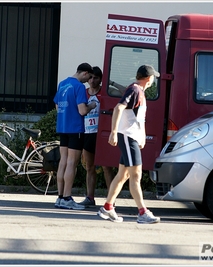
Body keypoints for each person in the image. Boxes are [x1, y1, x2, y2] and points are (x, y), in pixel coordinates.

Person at [97, 64, 161, 224]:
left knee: (123, 175)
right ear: (148, 78)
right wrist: (113, 132)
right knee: (136, 175)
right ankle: (142, 212)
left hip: (132, 137)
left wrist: (143, 136)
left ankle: (107, 207)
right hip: (127, 136)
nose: (154, 80)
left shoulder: (139, 91)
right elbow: (119, 108)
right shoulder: (135, 90)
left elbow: (139, 118)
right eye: (153, 77)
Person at [54, 63, 97, 210]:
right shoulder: (78, 86)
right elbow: (82, 111)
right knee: (72, 163)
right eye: (89, 77)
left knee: (63, 162)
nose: (89, 81)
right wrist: (91, 105)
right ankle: (67, 197)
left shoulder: (62, 84)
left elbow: (57, 106)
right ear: (85, 73)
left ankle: (60, 197)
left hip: (62, 127)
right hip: (75, 128)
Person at [79, 66, 115, 207]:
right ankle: (90, 197)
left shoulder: (105, 92)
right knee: (89, 167)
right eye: (91, 77)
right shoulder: (84, 93)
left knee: (107, 167)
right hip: (87, 133)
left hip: (101, 134)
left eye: (96, 78)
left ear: (101, 79)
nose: (92, 81)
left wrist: (110, 83)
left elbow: (124, 93)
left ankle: (111, 199)